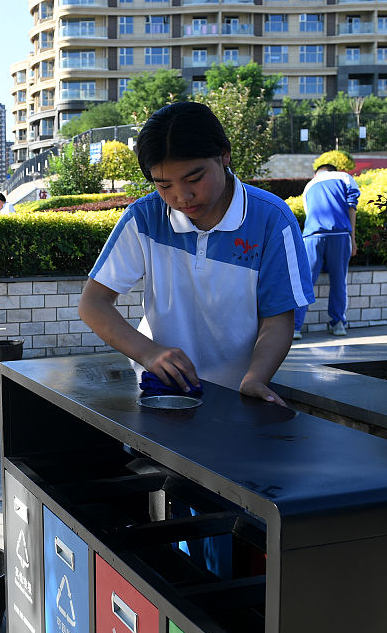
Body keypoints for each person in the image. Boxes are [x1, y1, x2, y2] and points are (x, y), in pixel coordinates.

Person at [78, 101, 314, 407]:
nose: (181, 196)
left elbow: (278, 318)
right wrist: (149, 353)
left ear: (224, 155)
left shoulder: (270, 219)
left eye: (193, 179)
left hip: (238, 395)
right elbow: (93, 302)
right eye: (164, 184)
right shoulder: (145, 217)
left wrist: (256, 378)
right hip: (160, 393)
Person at [293, 162, 360, 339]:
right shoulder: (345, 177)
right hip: (339, 235)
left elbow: (309, 214)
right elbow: (351, 207)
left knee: (305, 281)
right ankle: (338, 325)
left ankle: (295, 328)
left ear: (317, 173)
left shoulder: (309, 186)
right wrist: (353, 239)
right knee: (339, 281)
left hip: (312, 236)